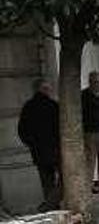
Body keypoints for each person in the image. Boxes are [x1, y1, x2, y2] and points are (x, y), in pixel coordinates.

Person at [18, 79, 61, 211]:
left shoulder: (28, 107)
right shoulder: (53, 105)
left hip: (38, 150)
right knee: (64, 179)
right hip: (55, 148)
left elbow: (22, 130)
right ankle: (50, 204)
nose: (50, 91)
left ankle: (52, 206)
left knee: (46, 181)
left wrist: (31, 143)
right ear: (42, 90)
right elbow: (61, 127)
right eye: (47, 89)